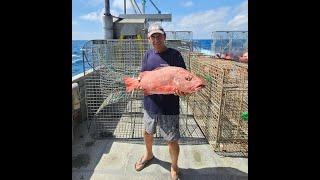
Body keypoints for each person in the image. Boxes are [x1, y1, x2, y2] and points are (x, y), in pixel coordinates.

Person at [134, 23, 187, 180]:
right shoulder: (147, 55)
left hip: (169, 108)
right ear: (149, 39)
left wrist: (181, 90)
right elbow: (143, 75)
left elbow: (183, 78)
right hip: (150, 104)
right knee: (147, 132)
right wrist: (138, 81)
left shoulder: (175, 55)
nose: (156, 39)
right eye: (153, 36)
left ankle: (174, 166)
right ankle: (149, 155)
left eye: (159, 35)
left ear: (164, 37)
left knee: (172, 140)